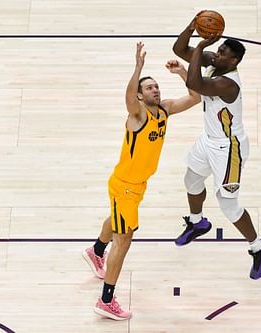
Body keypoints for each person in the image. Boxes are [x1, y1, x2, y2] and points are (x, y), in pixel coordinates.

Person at [82, 41, 200, 320]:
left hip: (136, 185)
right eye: (149, 87)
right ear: (138, 95)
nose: (155, 90)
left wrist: (182, 71)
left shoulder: (164, 110)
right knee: (124, 239)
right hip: (124, 185)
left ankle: (96, 251)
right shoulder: (137, 115)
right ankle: (106, 300)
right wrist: (137, 69)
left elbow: (195, 97)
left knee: (118, 220)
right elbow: (128, 100)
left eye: (156, 86)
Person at [172, 15, 261, 280]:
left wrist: (203, 48)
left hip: (230, 149)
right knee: (192, 180)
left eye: (223, 53)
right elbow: (179, 50)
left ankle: (259, 247)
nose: (217, 54)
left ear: (234, 61)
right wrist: (192, 26)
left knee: (228, 204)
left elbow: (195, 84)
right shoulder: (216, 63)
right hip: (208, 139)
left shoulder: (229, 84)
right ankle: (197, 222)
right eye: (218, 50)